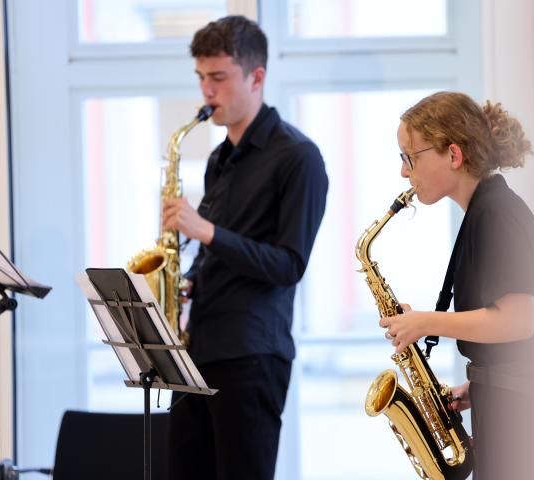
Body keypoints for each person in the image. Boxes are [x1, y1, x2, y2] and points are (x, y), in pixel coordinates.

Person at [161, 15, 328, 480]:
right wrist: (188, 280)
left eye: (218, 78)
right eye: (200, 78)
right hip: (198, 351)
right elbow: (216, 250)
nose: (206, 92)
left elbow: (288, 263)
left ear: (257, 78)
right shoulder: (219, 158)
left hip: (252, 356)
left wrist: (206, 231)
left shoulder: (298, 157)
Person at [379, 91, 534, 479]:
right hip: (511, 405)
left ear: (453, 155)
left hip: (524, 421)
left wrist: (426, 323)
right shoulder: (486, 210)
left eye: (409, 157)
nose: (403, 171)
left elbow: (518, 321)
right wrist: (473, 386)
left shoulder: (495, 214)